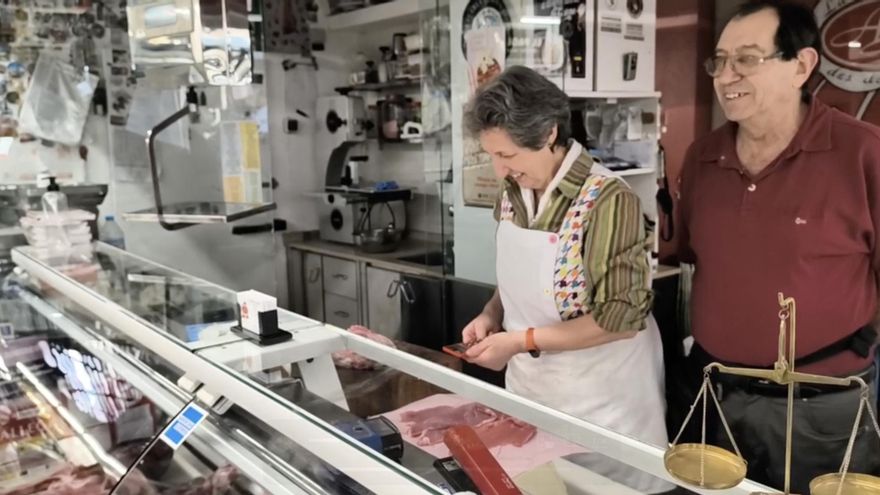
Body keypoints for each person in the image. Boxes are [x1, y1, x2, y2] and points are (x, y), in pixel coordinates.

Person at [677, 1, 880, 492]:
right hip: (716, 395)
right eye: (719, 62)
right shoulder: (703, 157)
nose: (726, 76)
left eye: (746, 59)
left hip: (823, 408)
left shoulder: (863, 152)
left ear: (802, 65)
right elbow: (694, 259)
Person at [461, 65, 671, 494]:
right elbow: (518, 276)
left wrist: (519, 342)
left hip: (603, 403)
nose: (500, 171)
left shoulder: (608, 200)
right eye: (492, 156)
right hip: (532, 392)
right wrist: (491, 314)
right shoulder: (511, 194)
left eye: (508, 156)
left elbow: (619, 319)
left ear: (549, 135)